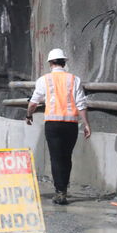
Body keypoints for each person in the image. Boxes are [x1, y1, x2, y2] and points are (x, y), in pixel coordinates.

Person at [26, 48, 91, 205]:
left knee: (55, 157)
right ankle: (64, 189)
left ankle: (59, 192)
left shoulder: (44, 80)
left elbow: (34, 102)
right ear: (64, 62)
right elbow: (81, 103)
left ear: (50, 63)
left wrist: (29, 114)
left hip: (53, 124)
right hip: (71, 124)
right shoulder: (74, 79)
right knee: (66, 157)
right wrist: (87, 124)